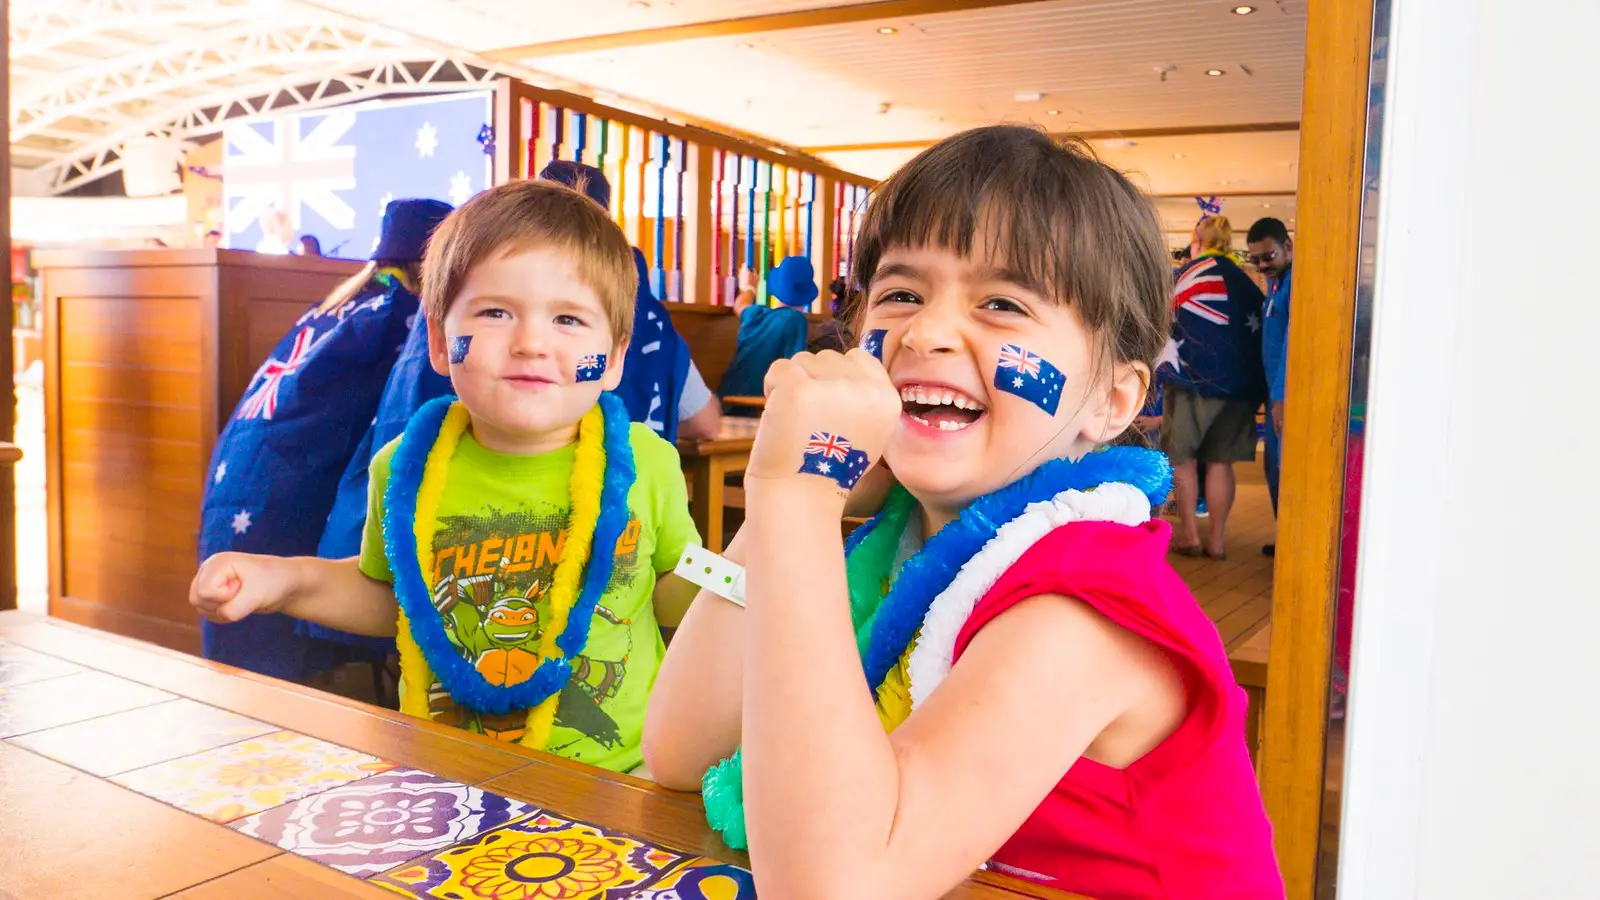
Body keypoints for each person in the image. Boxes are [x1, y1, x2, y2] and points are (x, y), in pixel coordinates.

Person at [643, 126, 1282, 898]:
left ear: (1113, 400)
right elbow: (681, 750)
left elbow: (836, 886)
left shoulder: (1088, 602)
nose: (926, 331)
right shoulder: (900, 543)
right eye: (902, 294)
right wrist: (776, 510)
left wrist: (800, 496)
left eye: (1003, 303)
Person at [193, 181, 701, 772]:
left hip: (618, 778)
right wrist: (281, 581)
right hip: (445, 776)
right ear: (438, 341)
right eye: (495, 313)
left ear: (613, 360)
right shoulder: (405, 466)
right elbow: (390, 597)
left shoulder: (644, 461)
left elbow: (670, 592)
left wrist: (741, 575)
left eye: (567, 318)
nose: (531, 343)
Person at [197, 198, 453, 679]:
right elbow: (408, 414)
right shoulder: (403, 312)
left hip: (242, 481)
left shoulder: (338, 303)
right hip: (293, 491)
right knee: (285, 673)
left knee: (245, 636)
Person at [538, 160, 720, 443]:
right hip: (632, 466)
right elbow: (706, 424)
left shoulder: (517, 296)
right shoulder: (652, 317)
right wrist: (634, 437)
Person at [1160, 216, 1267, 559]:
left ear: (1197, 240)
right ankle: (1218, 541)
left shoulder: (1185, 276)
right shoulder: (1245, 284)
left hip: (1190, 382)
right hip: (1236, 387)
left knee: (1183, 461)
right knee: (1222, 464)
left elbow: (1163, 321)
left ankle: (1191, 535)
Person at [1247, 216, 1293, 557]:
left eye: (1269, 256)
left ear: (1287, 246)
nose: (1263, 265)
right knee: (1273, 470)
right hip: (1272, 391)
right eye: (1256, 260)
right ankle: (1285, 540)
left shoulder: (1295, 285)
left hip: (1285, 396)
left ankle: (1291, 544)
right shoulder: (1275, 285)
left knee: (1283, 470)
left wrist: (1280, 396)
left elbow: (1292, 345)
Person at [717, 255, 817, 407]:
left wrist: (750, 287)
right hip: (760, 404)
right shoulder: (797, 320)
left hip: (726, 398)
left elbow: (740, 305)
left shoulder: (755, 314)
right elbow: (795, 368)